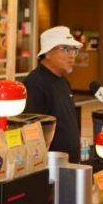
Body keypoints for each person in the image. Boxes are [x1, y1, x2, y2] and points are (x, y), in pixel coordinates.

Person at [23, 26, 84, 163]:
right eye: (65, 49)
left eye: (73, 50)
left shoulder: (63, 81)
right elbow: (30, 131)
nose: (71, 55)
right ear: (48, 53)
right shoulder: (35, 84)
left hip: (68, 165)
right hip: (51, 166)